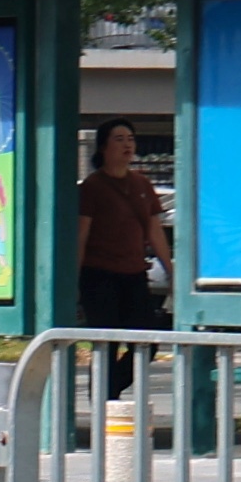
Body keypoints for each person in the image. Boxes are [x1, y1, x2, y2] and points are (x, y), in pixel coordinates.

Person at [80, 120, 169, 393]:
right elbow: (81, 234)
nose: (127, 144)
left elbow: (154, 230)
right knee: (106, 344)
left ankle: (108, 390)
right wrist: (74, 280)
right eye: (119, 138)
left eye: (130, 138)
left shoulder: (141, 184)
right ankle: (104, 402)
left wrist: (172, 271)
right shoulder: (92, 187)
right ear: (104, 146)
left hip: (134, 276)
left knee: (146, 343)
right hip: (99, 276)